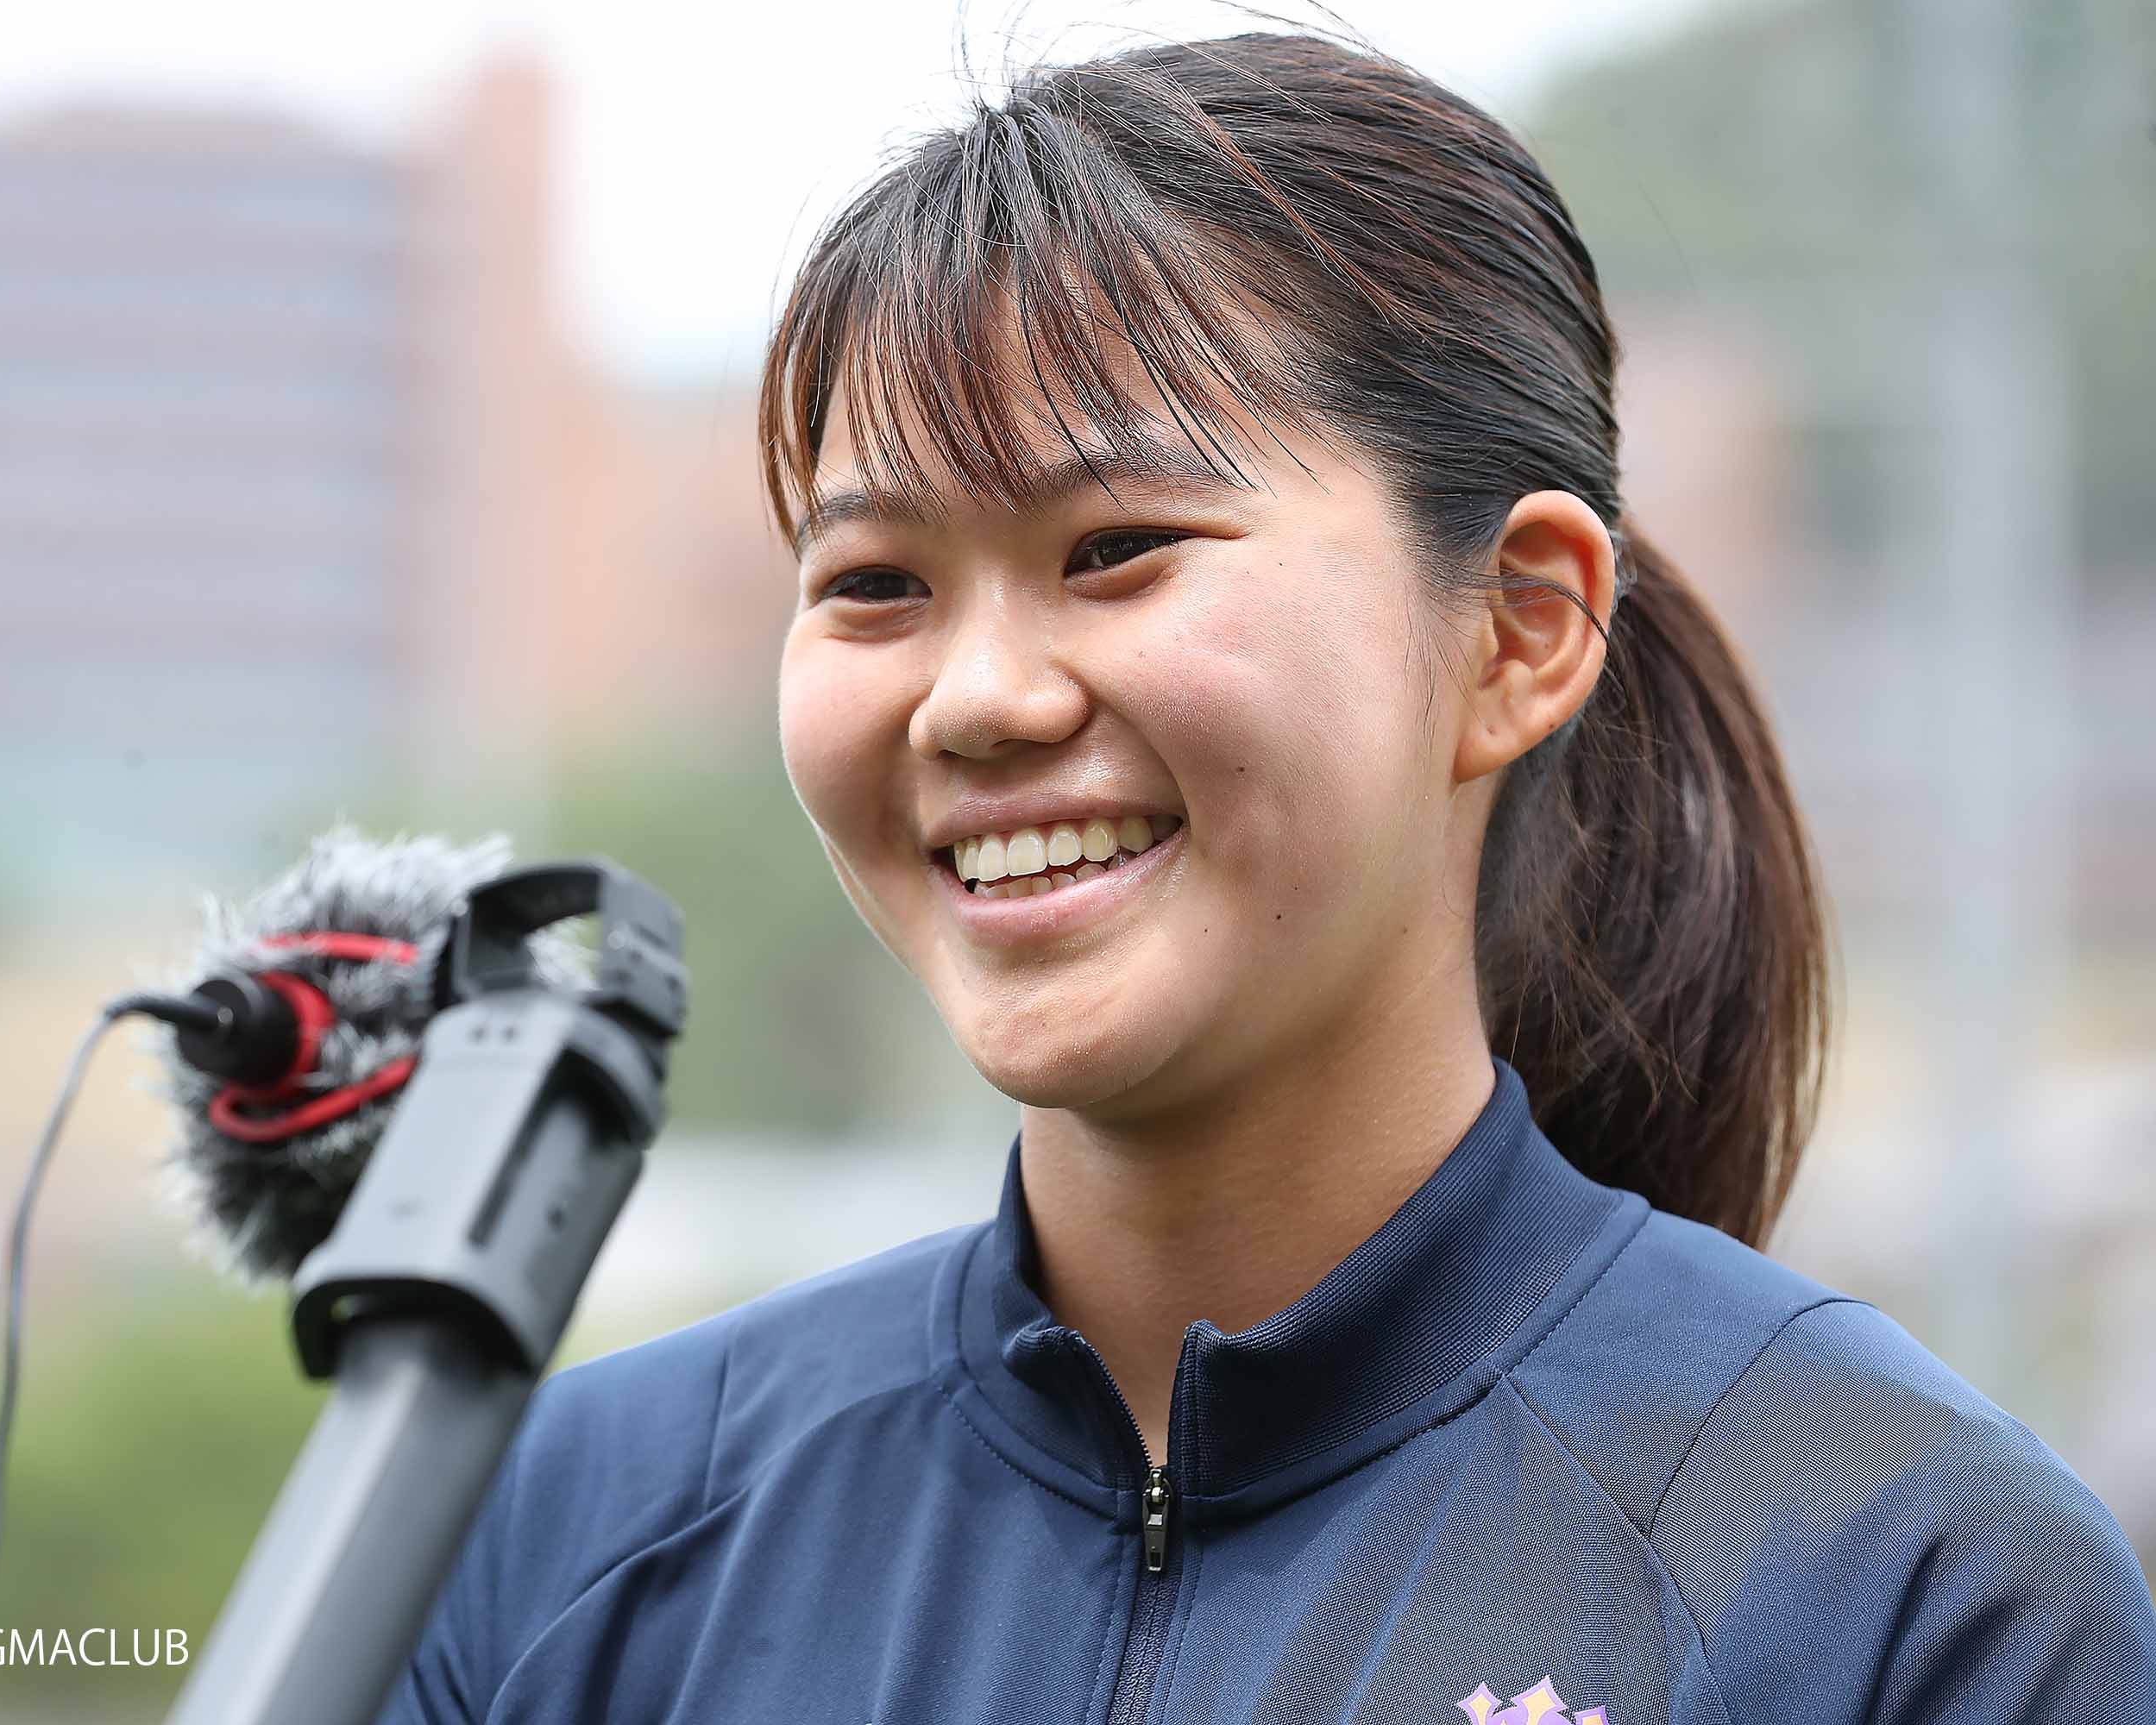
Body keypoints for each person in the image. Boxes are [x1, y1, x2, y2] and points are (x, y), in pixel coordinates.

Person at [377, 24, 2156, 1724]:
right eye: (875, 585)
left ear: (1522, 630)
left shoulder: (1898, 1580)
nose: (977, 699)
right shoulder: (556, 1542)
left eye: (1117, 548)